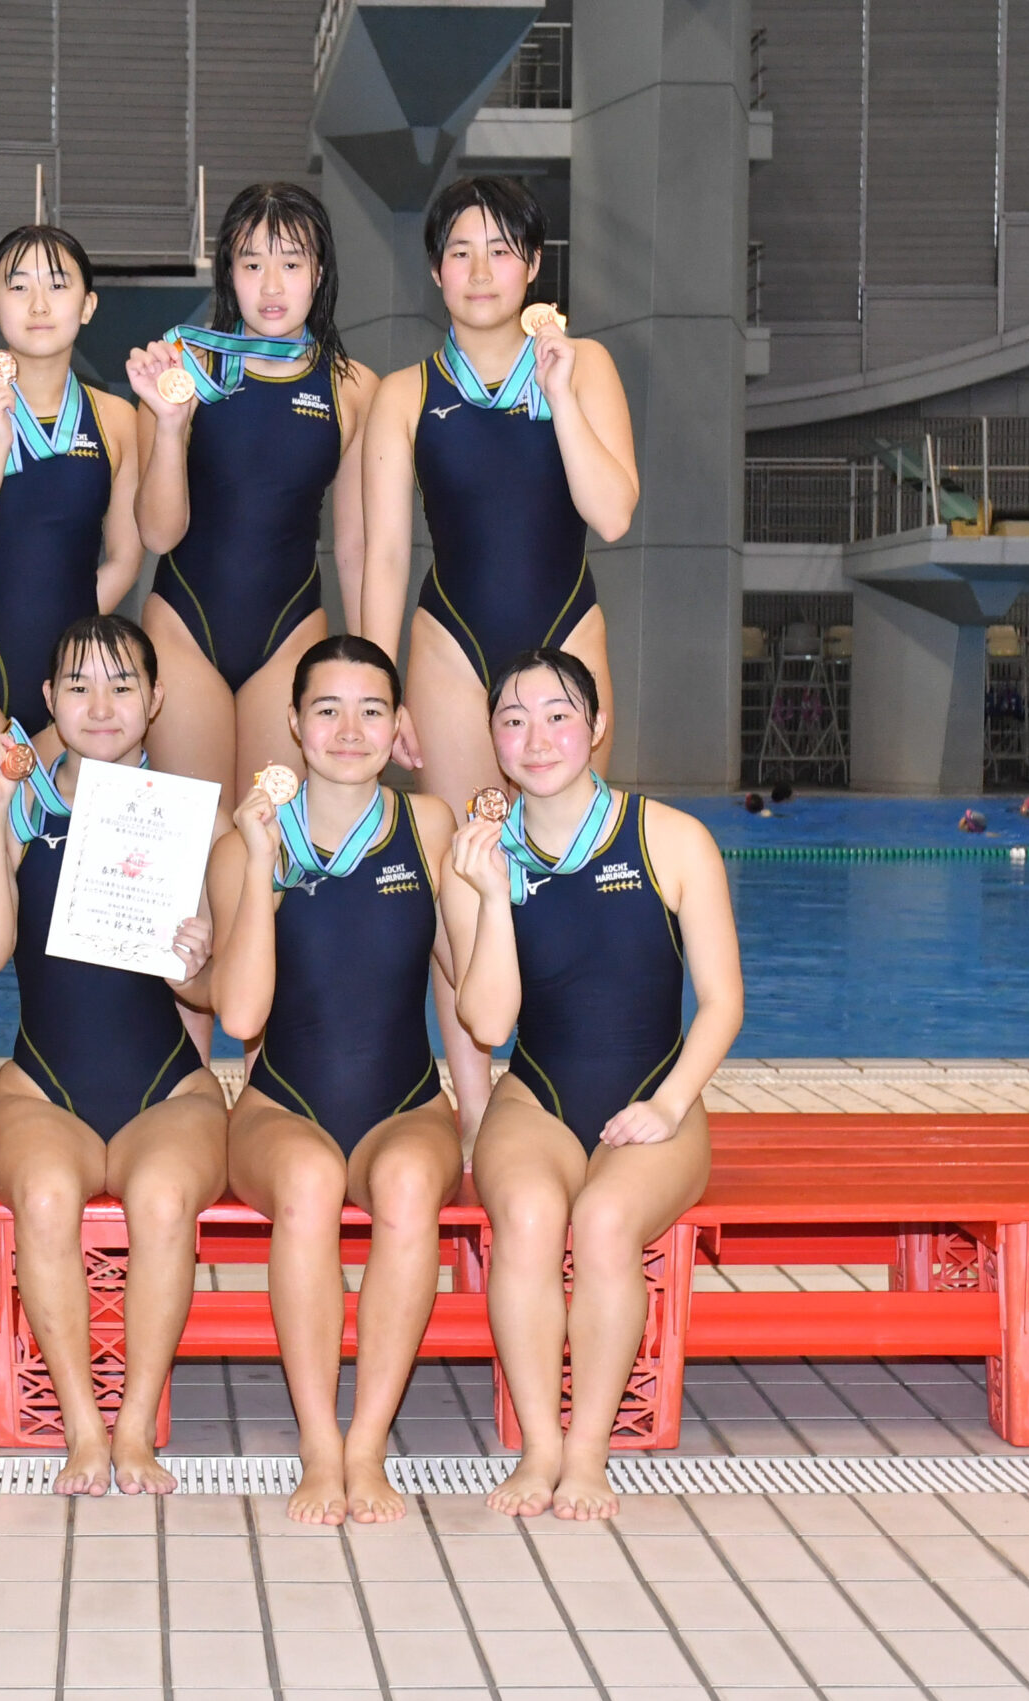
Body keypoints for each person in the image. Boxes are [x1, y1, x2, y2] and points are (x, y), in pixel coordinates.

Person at [359, 176, 640, 1138]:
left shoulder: (585, 365)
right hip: (450, 645)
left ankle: (572, 1081)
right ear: (435, 270)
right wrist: (379, 690)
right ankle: (478, 1111)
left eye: (502, 250)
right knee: (461, 873)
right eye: (460, 251)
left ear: (533, 266)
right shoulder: (405, 393)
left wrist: (557, 392)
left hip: (565, 635)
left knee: (568, 861)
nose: (481, 271)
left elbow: (612, 513)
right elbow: (384, 553)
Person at [443, 649, 741, 1523]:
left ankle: (587, 1451)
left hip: (655, 1093)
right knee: (532, 1214)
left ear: (598, 725)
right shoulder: (476, 856)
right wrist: (491, 896)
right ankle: (540, 1446)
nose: (536, 738)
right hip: (536, 1096)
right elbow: (489, 1024)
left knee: (606, 1220)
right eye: (514, 720)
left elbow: (723, 1001)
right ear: (493, 739)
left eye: (558, 716)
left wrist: (669, 1104)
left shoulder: (670, 839)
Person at [0, 614, 229, 1496]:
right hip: (44, 1088)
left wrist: (198, 961)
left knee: (162, 1198)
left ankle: (136, 1429)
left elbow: (211, 999)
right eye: (78, 686)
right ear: (48, 699)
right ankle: (82, 1429)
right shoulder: (16, 809)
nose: (101, 705)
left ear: (156, 699)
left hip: (167, 1090)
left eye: (121, 685)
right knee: (42, 1196)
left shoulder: (189, 820)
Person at [208, 635, 462, 1526]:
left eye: (371, 710)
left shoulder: (429, 827)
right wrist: (258, 862)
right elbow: (240, 1016)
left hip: (407, 1107)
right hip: (282, 1109)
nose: (349, 730)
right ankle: (321, 1444)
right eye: (327, 710)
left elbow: (468, 985)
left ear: (399, 726)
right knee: (311, 1182)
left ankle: (368, 1444)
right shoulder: (247, 841)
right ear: (293, 723)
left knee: (408, 1185)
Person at [126, 183, 378, 803]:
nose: (271, 286)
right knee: (196, 836)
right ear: (228, 274)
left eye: (290, 263)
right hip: (184, 630)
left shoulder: (352, 387)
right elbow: (157, 534)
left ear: (319, 273)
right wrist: (169, 425)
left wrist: (374, 673)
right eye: (251, 264)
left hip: (291, 634)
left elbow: (355, 548)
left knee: (270, 834)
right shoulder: (182, 368)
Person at [0, 224, 144, 840]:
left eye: (58, 285)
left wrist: (73, 639)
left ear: (87, 305)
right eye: (18, 287)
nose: (39, 304)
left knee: (65, 870)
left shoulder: (117, 420)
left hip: (78, 679)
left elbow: (126, 556)